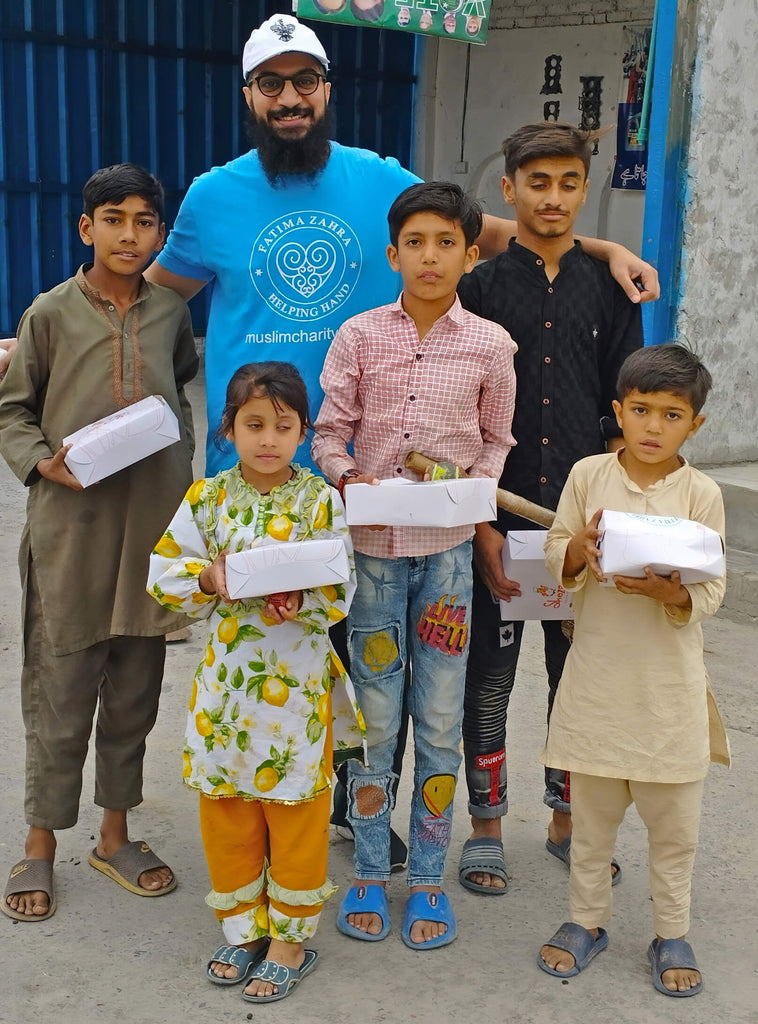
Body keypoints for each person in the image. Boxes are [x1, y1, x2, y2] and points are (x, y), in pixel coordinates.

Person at [312, 181, 518, 949]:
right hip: (371, 557)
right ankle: (370, 867)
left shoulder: (491, 345)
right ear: (393, 252)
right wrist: (346, 475)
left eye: (446, 243)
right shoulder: (358, 335)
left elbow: (496, 441)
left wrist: (476, 496)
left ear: (471, 253)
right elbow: (330, 433)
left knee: (436, 719)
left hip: (448, 563)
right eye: (415, 243)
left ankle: (427, 879)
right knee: (374, 720)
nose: (430, 257)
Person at [0, 163, 198, 921]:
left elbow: (178, 387)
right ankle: (40, 843)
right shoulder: (49, 313)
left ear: (158, 233)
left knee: (134, 697)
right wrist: (43, 462)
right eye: (113, 219)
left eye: (145, 222)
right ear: (86, 228)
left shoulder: (169, 314)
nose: (129, 235)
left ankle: (115, 836)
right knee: (61, 695)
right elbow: (13, 412)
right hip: (72, 535)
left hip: (149, 532)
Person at [455, 122, 643, 895]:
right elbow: (458, 411)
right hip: (499, 519)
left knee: (577, 682)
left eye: (570, 183)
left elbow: (624, 404)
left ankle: (568, 822)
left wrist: (616, 516)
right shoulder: (481, 286)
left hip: (580, 527)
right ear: (510, 190)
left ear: (583, 189)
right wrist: (477, 526)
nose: (555, 198)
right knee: (490, 678)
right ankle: (488, 827)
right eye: (539, 183)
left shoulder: (612, 287)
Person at [147, 361, 366, 1003]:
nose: (268, 439)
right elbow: (164, 572)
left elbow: (341, 583)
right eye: (254, 424)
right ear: (229, 428)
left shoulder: (321, 499)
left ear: (303, 432)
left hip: (297, 691)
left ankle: (290, 942)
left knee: (296, 810)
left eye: (284, 426)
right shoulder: (205, 499)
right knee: (228, 809)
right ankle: (242, 930)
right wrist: (209, 580)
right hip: (228, 694)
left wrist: (301, 601)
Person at [537, 344, 727, 998]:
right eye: (640, 410)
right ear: (618, 410)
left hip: (668, 694)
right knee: (591, 826)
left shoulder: (702, 493)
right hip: (596, 683)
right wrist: (578, 553)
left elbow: (713, 588)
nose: (652, 427)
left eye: (670, 415)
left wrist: (674, 594)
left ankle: (671, 931)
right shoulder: (589, 476)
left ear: (694, 425)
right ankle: (586, 921)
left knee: (674, 831)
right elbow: (556, 553)